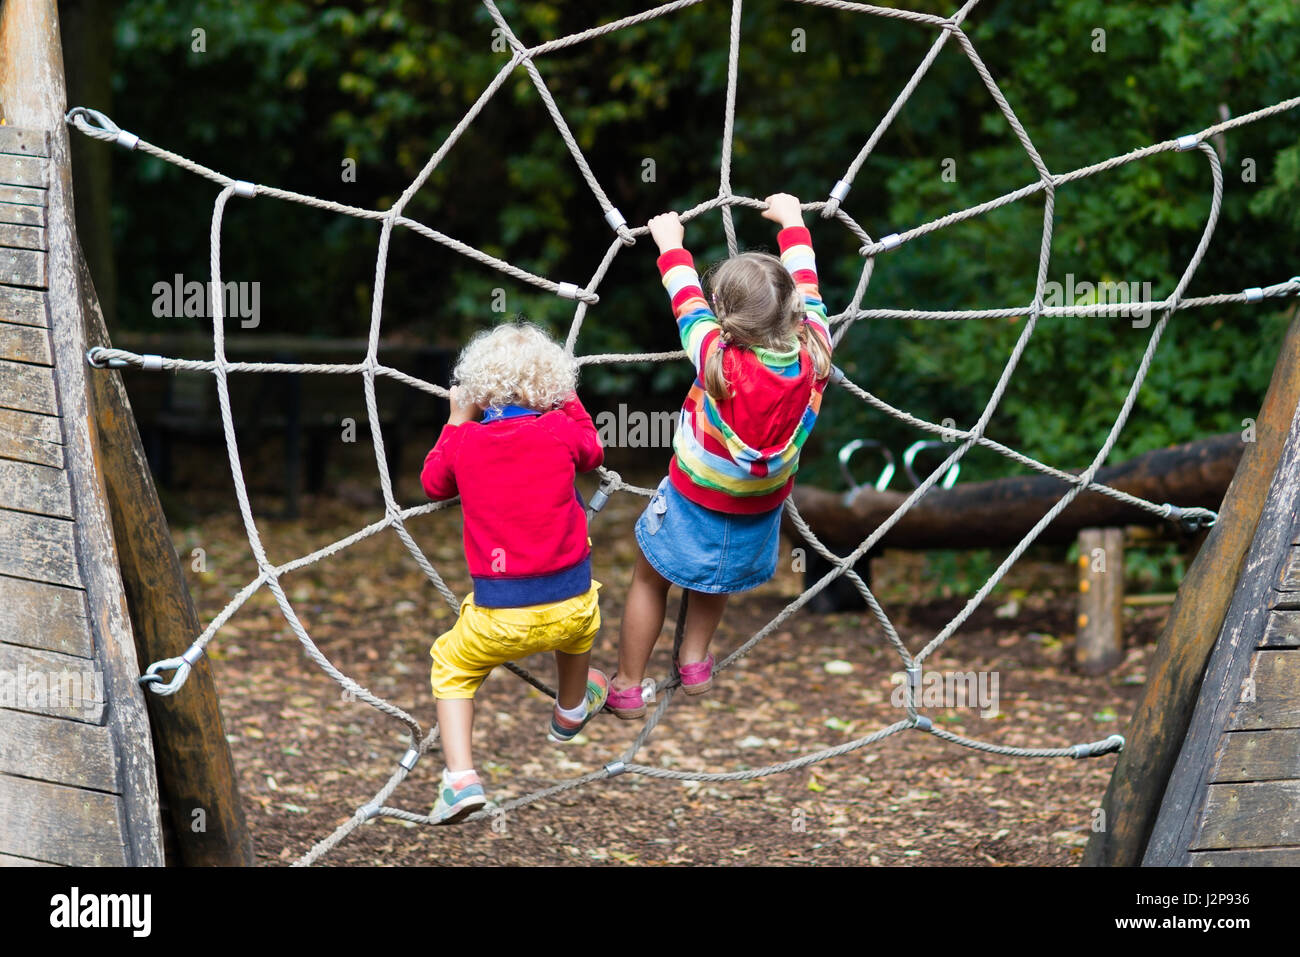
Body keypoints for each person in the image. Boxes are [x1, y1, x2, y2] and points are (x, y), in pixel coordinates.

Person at [606, 193, 833, 718]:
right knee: (716, 579)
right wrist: (795, 222)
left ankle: (627, 685)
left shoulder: (717, 358)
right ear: (795, 311)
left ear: (726, 317)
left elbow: (685, 300)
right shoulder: (816, 353)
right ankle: (694, 660)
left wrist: (670, 246)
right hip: (760, 508)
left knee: (649, 578)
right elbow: (810, 285)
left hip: (693, 501)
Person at [420, 321, 609, 823]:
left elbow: (433, 484)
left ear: (479, 389)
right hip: (573, 603)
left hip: (500, 615)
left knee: (451, 667)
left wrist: (457, 420)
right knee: (577, 630)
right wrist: (568, 402)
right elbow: (594, 451)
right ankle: (570, 709)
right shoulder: (560, 429)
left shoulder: (466, 442)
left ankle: (461, 779)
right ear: (550, 388)